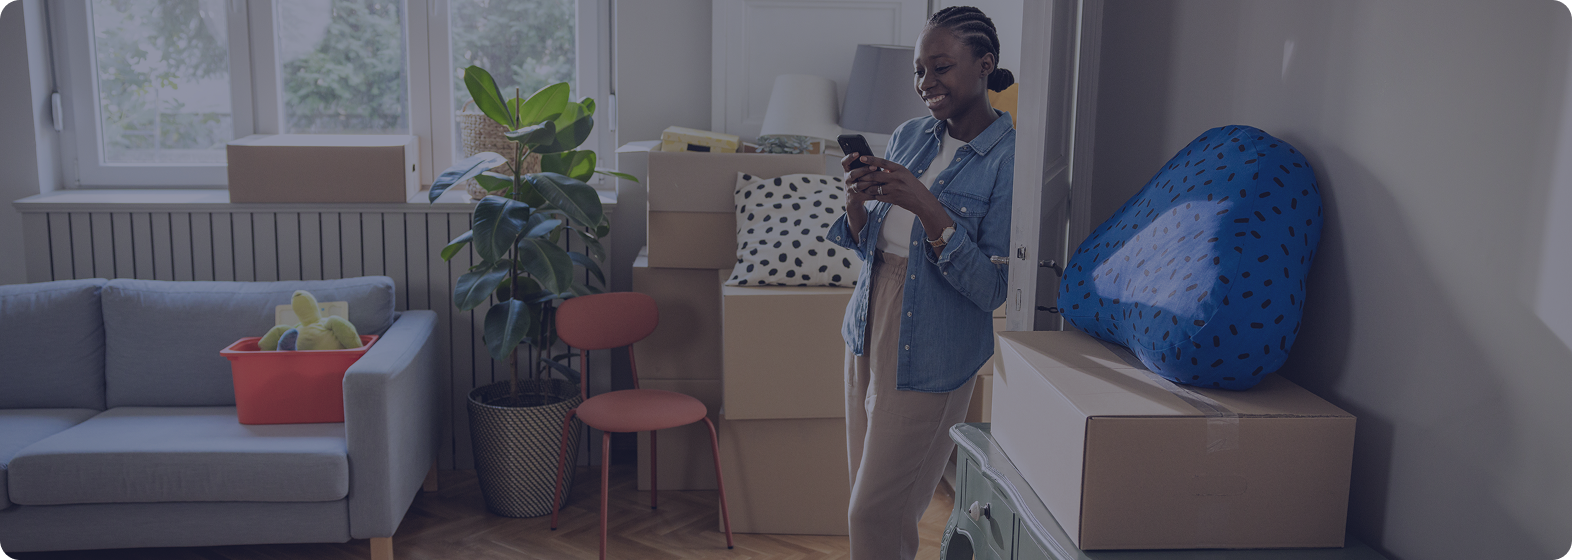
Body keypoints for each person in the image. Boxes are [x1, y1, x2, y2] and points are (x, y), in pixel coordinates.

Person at [826, 5, 1016, 559]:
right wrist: (856, 199)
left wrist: (929, 208)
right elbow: (868, 247)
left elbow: (992, 290)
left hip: (934, 346)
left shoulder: (1010, 159)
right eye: (918, 71)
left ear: (986, 64)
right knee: (873, 507)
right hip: (866, 328)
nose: (925, 83)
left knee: (874, 513)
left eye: (940, 67)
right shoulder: (911, 135)